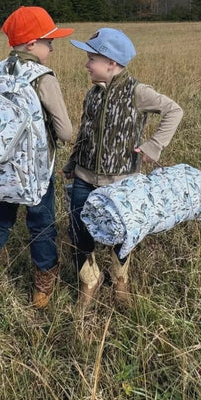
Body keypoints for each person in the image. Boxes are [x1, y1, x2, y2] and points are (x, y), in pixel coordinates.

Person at [64, 28, 183, 312]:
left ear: (112, 64)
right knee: (80, 231)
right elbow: (85, 131)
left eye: (91, 58)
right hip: (83, 177)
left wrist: (154, 146)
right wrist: (73, 161)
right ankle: (89, 283)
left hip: (121, 183)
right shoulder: (92, 93)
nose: (86, 64)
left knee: (121, 235)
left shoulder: (137, 92)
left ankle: (120, 283)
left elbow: (174, 111)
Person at [0, 6, 73, 309]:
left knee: (0, 216)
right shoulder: (43, 78)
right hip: (36, 170)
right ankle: (42, 287)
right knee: (41, 222)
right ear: (32, 44)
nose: (52, 46)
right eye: (48, 41)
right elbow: (66, 131)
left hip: (1, 167)